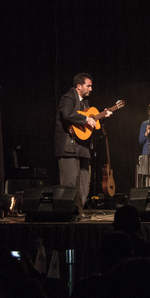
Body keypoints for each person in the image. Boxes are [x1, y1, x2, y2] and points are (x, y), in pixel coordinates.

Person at [55, 72, 112, 217]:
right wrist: (86, 119)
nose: (91, 89)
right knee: (70, 182)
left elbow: (91, 125)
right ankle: (67, 213)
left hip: (83, 147)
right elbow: (66, 113)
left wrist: (102, 117)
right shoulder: (68, 97)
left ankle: (78, 212)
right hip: (69, 147)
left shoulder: (85, 103)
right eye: (89, 85)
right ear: (79, 86)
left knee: (83, 183)